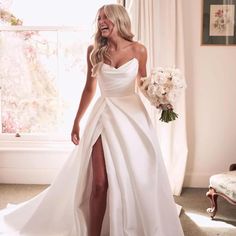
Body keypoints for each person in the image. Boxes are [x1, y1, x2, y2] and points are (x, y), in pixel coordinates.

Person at [0, 4, 184, 236]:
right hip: (103, 116)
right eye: (99, 18)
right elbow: (89, 89)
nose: (101, 22)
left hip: (132, 120)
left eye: (106, 18)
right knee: (99, 183)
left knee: (135, 179)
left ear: (119, 20)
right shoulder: (94, 51)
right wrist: (76, 121)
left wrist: (161, 97)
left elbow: (142, 83)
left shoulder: (139, 50)